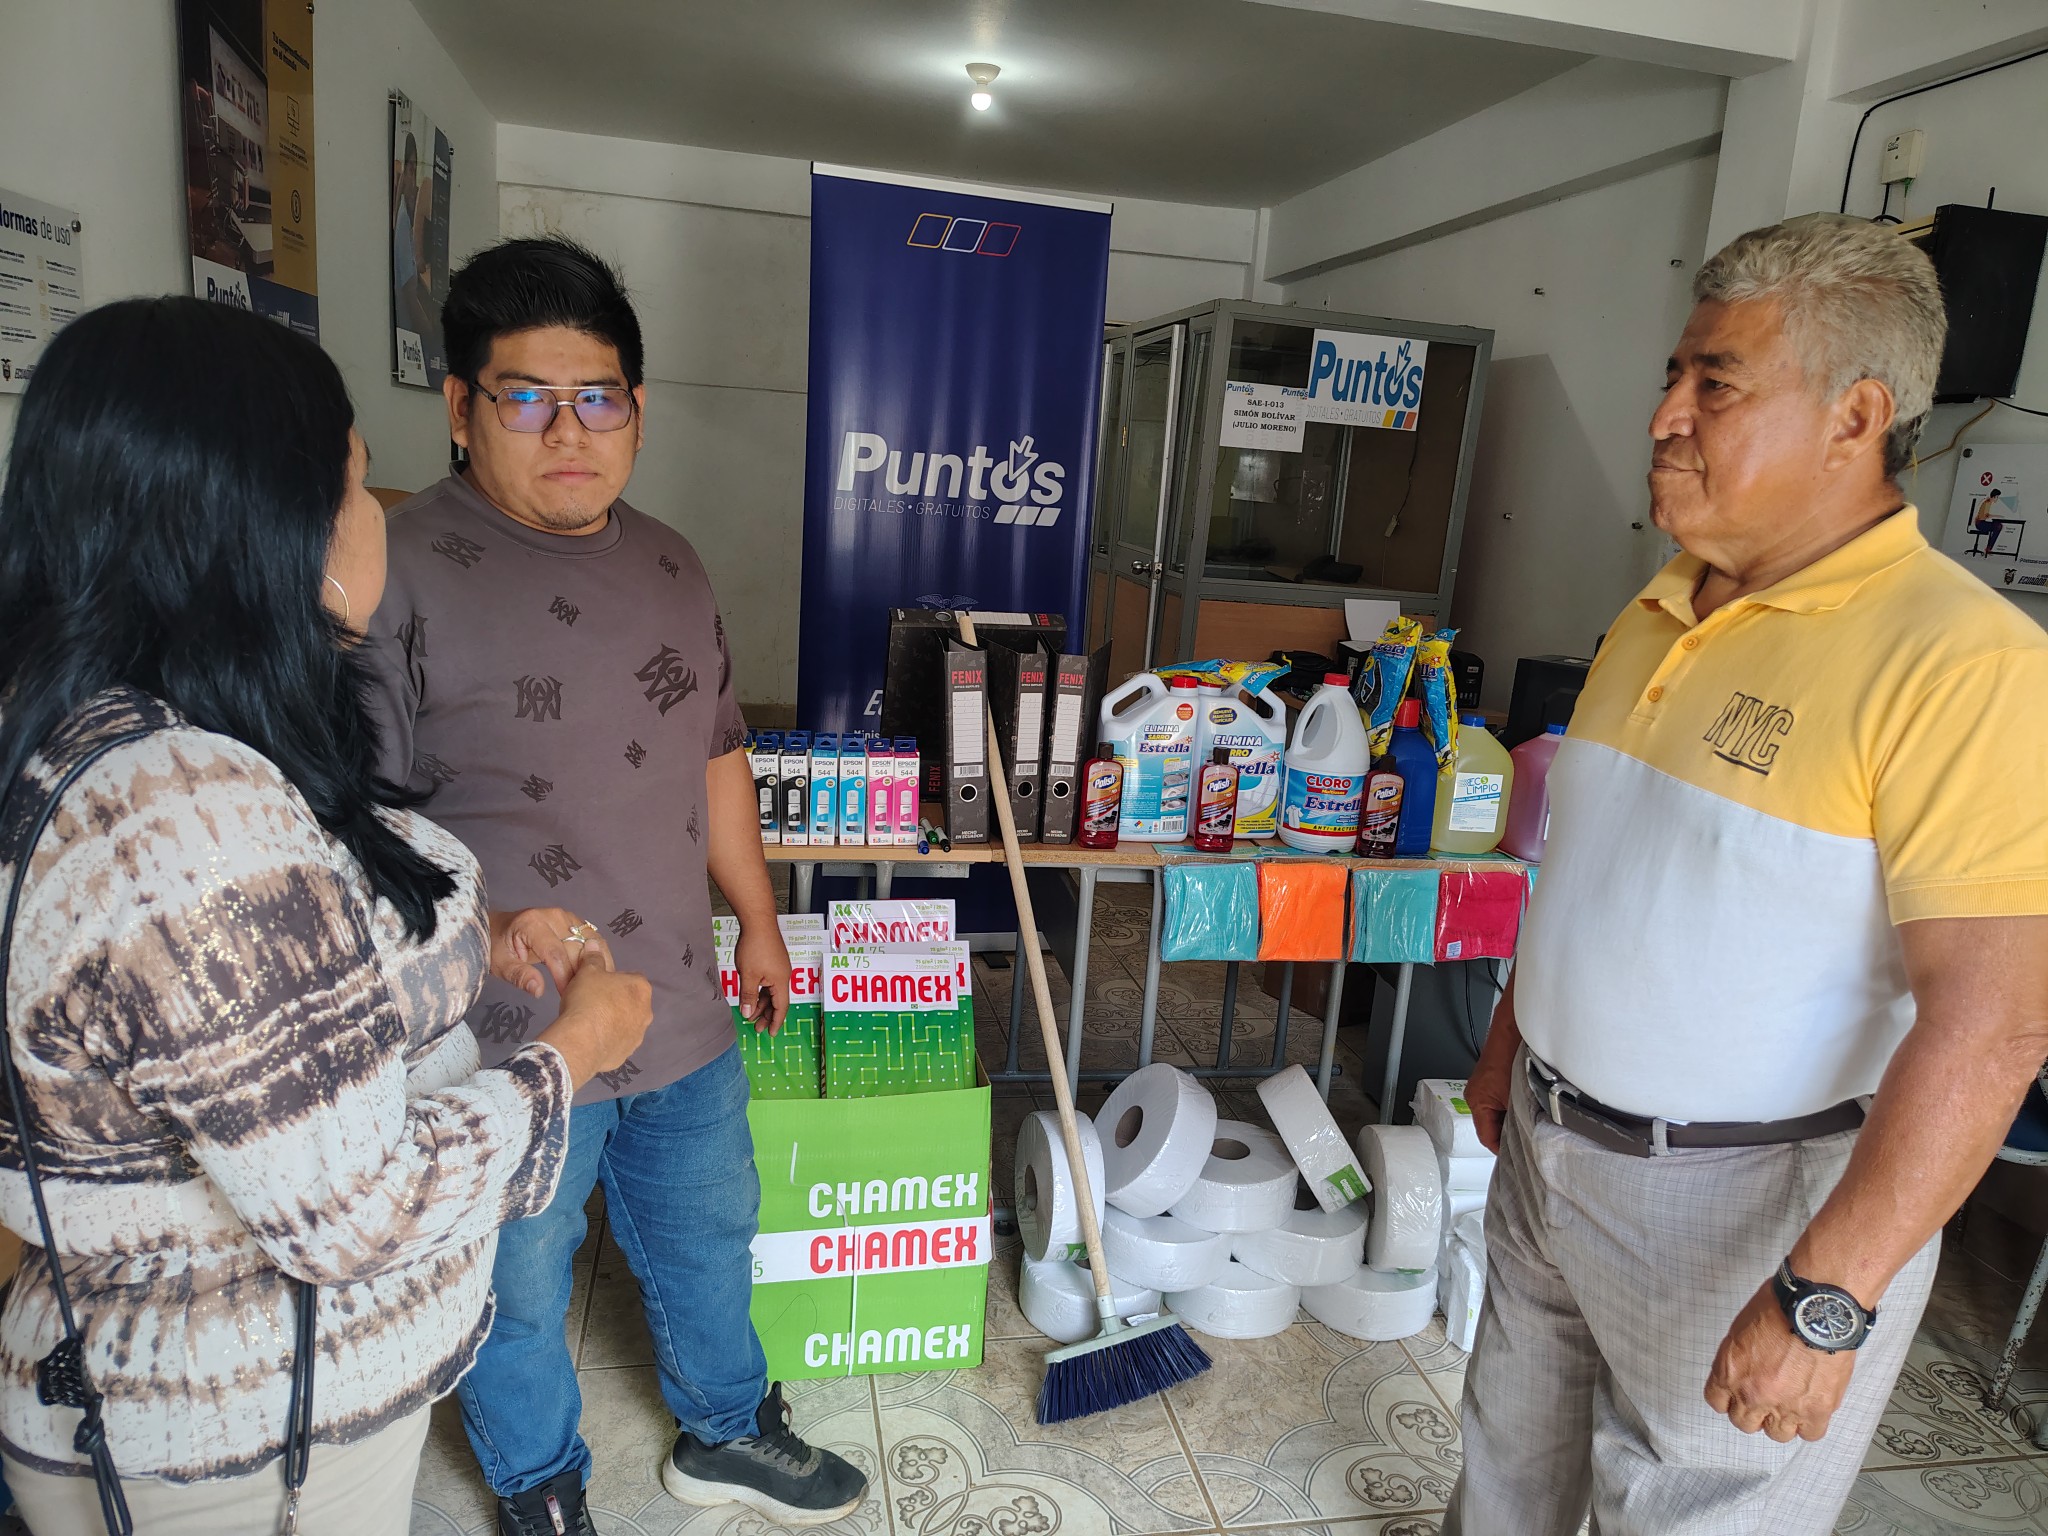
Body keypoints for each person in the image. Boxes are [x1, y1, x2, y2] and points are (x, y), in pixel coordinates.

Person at [0, 297, 653, 1534]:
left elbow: (257, 988)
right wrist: (576, 1052)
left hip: (243, 1410)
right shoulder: (180, 816)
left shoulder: (138, 729)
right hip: (239, 1437)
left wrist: (470, 933)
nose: (374, 513)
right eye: (354, 481)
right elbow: (356, 1212)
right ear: (262, 518)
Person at [1447, 215, 2048, 1535]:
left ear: (1856, 417)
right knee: (1505, 1472)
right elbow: (1594, 871)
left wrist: (1827, 1296)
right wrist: (1510, 1046)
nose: (1663, 415)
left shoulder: (1965, 666)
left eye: (1714, 384)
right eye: (1675, 373)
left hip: (1743, 1205)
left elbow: (1995, 1024)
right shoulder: (1660, 604)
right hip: (1550, 1145)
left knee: (1693, 1506)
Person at [362, 237, 867, 1535]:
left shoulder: (671, 562)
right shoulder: (392, 574)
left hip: (680, 1001)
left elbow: (716, 756)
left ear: (636, 409)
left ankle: (727, 1428)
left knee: (708, 1233)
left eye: (596, 398)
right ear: (461, 407)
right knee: (514, 1285)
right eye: (525, 396)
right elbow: (358, 841)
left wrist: (758, 922)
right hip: (503, 1040)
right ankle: (536, 1484)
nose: (567, 430)